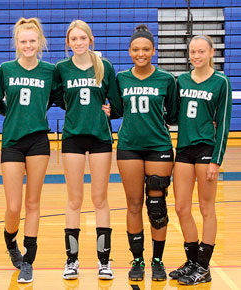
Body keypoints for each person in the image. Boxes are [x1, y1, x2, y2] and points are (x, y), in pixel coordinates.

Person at [0, 17, 62, 284]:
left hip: (39, 141)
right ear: (16, 44)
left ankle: (28, 260)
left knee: (33, 203)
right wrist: (14, 113)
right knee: (13, 205)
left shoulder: (49, 71)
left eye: (32, 41)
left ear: (39, 42)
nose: (28, 45)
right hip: (12, 141)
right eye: (23, 41)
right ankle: (10, 241)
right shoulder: (6, 69)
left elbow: (60, 97)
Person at [54, 20, 122, 280]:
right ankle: (72, 260)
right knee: (74, 199)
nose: (79, 43)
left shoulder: (104, 66)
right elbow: (58, 97)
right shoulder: (61, 68)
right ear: (68, 43)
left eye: (83, 38)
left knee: (100, 198)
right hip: (72, 137)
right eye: (74, 39)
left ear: (90, 39)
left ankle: (104, 261)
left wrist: (109, 111)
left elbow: (117, 104)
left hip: (100, 138)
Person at [115, 25, 178, 281]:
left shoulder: (166, 79)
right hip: (129, 146)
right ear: (130, 51)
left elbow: (173, 114)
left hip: (159, 147)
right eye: (135, 49)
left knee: (157, 206)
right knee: (133, 204)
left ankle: (158, 261)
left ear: (154, 50)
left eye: (146, 49)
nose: (141, 53)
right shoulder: (121, 78)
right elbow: (117, 109)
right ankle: (138, 260)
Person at [170, 35, 232, 285]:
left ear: (211, 53)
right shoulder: (181, 80)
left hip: (206, 150)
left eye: (201, 52)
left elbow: (225, 122)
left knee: (206, 208)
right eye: (192, 52)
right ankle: (193, 261)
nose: (196, 56)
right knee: (181, 207)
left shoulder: (221, 82)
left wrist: (216, 160)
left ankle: (203, 266)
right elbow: (171, 112)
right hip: (183, 149)